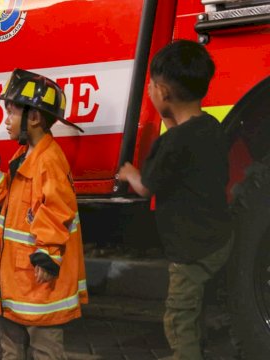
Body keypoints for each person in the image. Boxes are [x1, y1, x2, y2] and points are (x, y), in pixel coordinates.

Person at [117, 40, 232, 360]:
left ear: (163, 91)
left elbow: (147, 187)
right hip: (217, 239)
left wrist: (129, 173)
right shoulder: (210, 127)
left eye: (152, 87)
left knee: (179, 315)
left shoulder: (171, 145)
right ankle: (197, 350)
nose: (151, 92)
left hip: (190, 248)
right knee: (199, 308)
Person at [0, 69, 87, 360]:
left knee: (44, 351)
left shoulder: (49, 161)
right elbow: (6, 198)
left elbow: (58, 210)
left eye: (11, 113)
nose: (6, 120)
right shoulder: (25, 155)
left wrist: (47, 254)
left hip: (37, 284)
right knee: (12, 349)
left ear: (34, 118)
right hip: (16, 283)